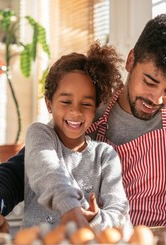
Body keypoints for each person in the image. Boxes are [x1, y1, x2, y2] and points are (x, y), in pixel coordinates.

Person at [0, 13, 166, 233]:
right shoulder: (88, 110)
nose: (155, 99)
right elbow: (22, 167)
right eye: (150, 82)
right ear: (131, 60)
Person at [21, 42, 129, 231]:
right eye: (66, 101)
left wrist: (97, 218)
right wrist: (69, 207)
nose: (75, 111)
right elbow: (48, 171)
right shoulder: (39, 135)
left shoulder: (105, 155)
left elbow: (120, 212)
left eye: (86, 104)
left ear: (95, 109)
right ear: (49, 104)